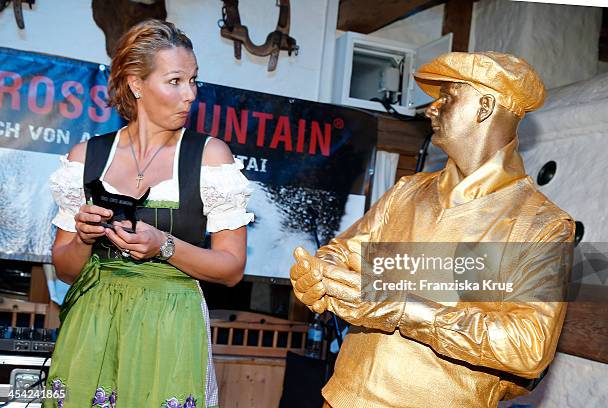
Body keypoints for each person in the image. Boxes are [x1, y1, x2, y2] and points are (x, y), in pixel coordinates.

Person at [290, 52, 574, 408]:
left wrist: (403, 310)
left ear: (484, 106)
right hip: (341, 397)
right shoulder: (407, 192)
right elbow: (345, 254)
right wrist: (319, 277)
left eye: (447, 96)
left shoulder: (541, 225)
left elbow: (528, 346)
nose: (431, 109)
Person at [45, 19, 253, 408]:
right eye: (175, 81)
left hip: (170, 327)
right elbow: (66, 269)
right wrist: (83, 237)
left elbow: (231, 268)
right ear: (136, 84)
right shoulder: (85, 158)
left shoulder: (209, 157)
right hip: (93, 325)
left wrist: (164, 245)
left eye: (193, 81)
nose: (189, 94)